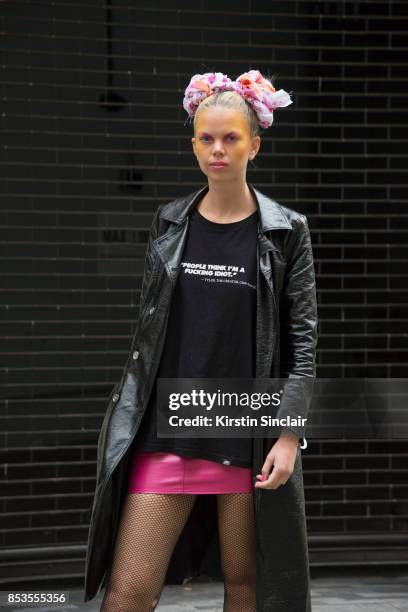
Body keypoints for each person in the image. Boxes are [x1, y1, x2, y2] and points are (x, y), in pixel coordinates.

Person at [92, 69, 317, 612]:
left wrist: (289, 436)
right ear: (194, 144)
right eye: (207, 138)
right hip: (169, 429)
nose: (218, 149)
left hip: (246, 430)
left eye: (231, 137)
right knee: (128, 593)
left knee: (246, 586)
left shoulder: (287, 231)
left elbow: (304, 341)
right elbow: (149, 335)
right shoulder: (169, 222)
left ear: (254, 143)